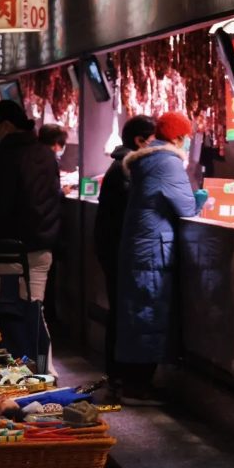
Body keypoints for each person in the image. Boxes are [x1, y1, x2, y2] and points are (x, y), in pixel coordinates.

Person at [116, 111, 207, 405]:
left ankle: (130, 382)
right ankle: (137, 388)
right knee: (148, 314)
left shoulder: (147, 159)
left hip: (141, 247)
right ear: (179, 137)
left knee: (138, 314)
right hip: (153, 249)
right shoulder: (168, 162)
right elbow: (185, 208)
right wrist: (200, 199)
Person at [0, 100, 62, 302]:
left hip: (10, 249)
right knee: (34, 310)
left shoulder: (6, 155)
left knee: (6, 311)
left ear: (6, 126)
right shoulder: (46, 153)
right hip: (42, 248)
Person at [94, 114, 156, 399]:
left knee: (120, 313)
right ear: (140, 140)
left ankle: (118, 376)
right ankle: (123, 379)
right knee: (124, 315)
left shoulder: (122, 164)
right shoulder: (127, 168)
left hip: (113, 249)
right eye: (155, 140)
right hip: (120, 251)